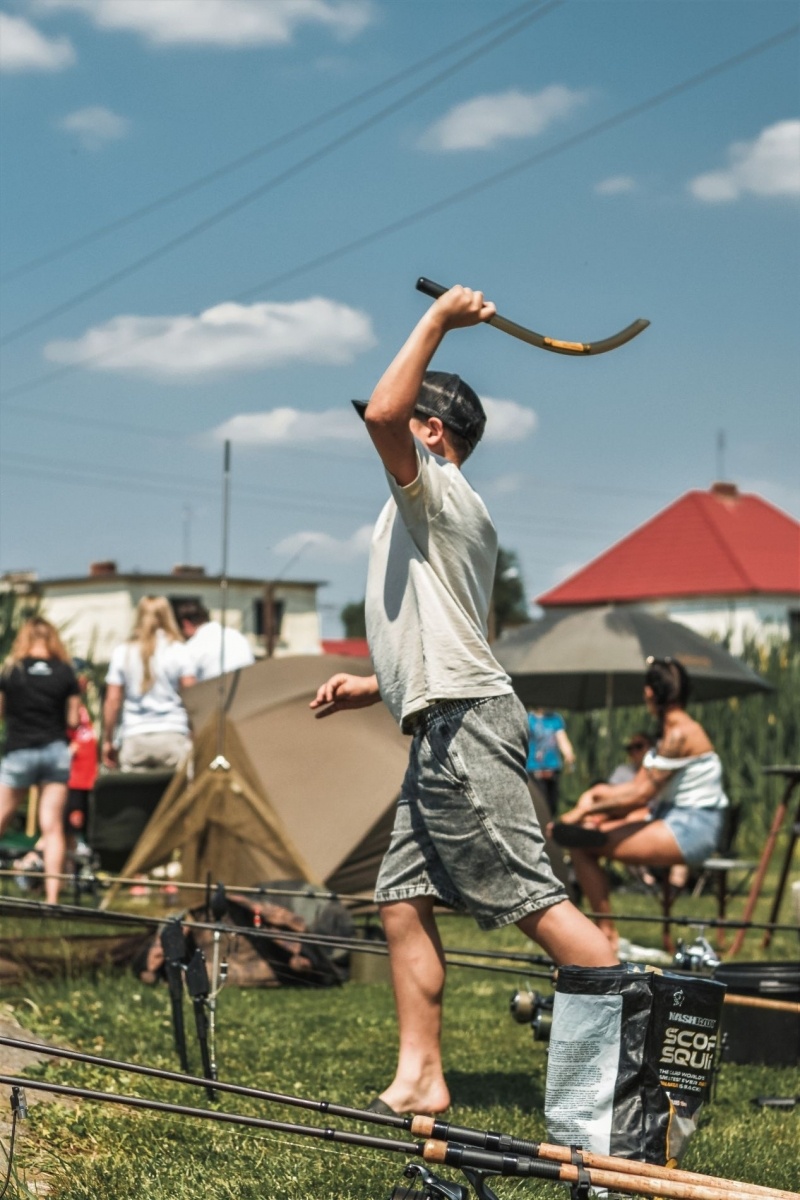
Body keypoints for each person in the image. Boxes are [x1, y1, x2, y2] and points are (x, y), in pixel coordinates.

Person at [311, 284, 617, 1117]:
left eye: (413, 417)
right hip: (440, 721)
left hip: (465, 731)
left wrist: (439, 322)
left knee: (537, 903)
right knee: (401, 901)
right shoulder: (435, 516)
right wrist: (375, 684)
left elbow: (381, 414)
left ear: (434, 430)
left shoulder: (434, 489)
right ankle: (420, 1079)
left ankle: (616, 1085)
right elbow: (445, 634)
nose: (388, 425)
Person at [552, 658, 728, 951]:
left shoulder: (679, 735)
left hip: (691, 829)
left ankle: (606, 938)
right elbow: (634, 788)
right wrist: (597, 796)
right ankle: (606, 935)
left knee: (583, 843)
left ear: (649, 693)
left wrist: (583, 811)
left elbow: (639, 796)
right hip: (674, 819)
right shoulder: (671, 732)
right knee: (585, 834)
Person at [0, 618, 80, 904]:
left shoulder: (12, 671)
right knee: (53, 828)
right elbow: (73, 719)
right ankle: (52, 898)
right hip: (54, 752)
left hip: (20, 751)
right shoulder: (65, 672)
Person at [102, 596, 195, 771]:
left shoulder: (123, 652)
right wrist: (195, 731)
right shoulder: (179, 651)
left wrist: (108, 740)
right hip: (173, 733)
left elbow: (112, 701)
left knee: (136, 795)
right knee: (176, 796)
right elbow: (193, 696)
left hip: (134, 736)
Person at [176, 600, 255, 682]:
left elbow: (187, 683)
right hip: (250, 690)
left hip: (214, 692)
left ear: (186, 624)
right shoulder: (238, 636)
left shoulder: (192, 646)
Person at [526, 707, 575, 817]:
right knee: (538, 799)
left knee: (552, 801)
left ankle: (550, 822)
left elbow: (561, 737)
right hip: (534, 767)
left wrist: (568, 753)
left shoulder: (555, 718)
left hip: (552, 766)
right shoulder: (528, 718)